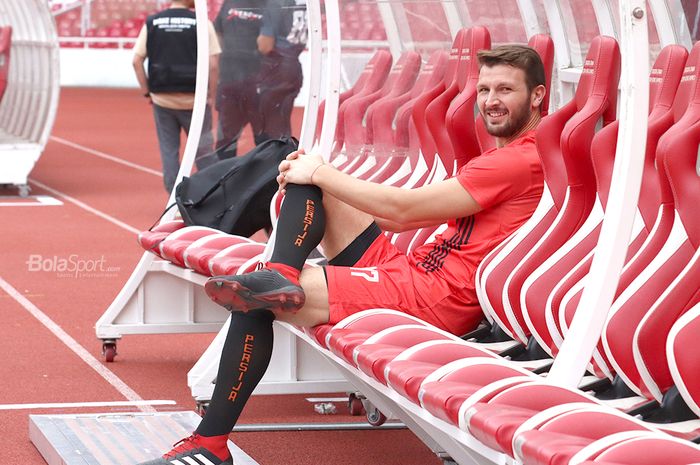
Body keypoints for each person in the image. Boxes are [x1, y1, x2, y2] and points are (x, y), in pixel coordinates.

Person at [137, 44, 547, 465]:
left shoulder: (518, 160)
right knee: (308, 183)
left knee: (252, 296)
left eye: (505, 90)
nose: (491, 101)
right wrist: (314, 177)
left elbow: (405, 210)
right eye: (484, 89)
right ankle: (279, 272)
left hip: (434, 296)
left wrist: (323, 173)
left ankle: (211, 445)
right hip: (412, 272)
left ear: (537, 95)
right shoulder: (510, 155)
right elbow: (401, 223)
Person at [132, 0, 221, 193]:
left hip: (162, 98)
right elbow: (213, 64)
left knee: (169, 151)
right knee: (204, 152)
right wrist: (210, 95)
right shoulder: (202, 22)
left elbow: (136, 61)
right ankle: (213, 196)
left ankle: (174, 199)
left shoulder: (152, 22)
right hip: (194, 99)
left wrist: (147, 91)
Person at [213, 0, 265, 155]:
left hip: (258, 82)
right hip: (230, 79)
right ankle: (225, 178)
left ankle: (268, 177)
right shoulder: (229, 3)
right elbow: (217, 33)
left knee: (265, 138)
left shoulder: (269, 5)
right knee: (226, 140)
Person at [253, 0, 307, 144]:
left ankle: (277, 162)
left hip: (276, 67)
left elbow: (266, 45)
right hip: (293, 66)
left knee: (270, 127)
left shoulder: (276, 3)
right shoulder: (304, 4)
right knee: (282, 122)